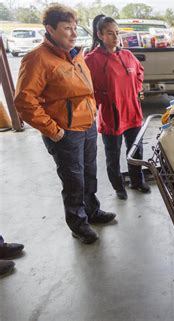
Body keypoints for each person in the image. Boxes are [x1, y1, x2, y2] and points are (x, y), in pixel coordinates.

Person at [14, 4, 116, 245]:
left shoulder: (75, 54)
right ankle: (78, 225)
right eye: (66, 28)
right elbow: (24, 101)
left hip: (87, 125)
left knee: (90, 173)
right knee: (74, 181)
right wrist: (53, 130)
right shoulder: (37, 59)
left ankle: (92, 211)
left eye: (74, 27)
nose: (73, 33)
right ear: (49, 29)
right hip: (65, 132)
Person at [85, 15, 149, 200]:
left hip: (133, 111)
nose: (115, 37)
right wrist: (103, 98)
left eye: (117, 33)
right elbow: (86, 87)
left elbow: (139, 72)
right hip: (112, 115)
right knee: (113, 155)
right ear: (100, 35)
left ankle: (137, 181)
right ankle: (119, 186)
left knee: (136, 150)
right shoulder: (92, 60)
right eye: (110, 33)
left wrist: (135, 90)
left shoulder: (127, 55)